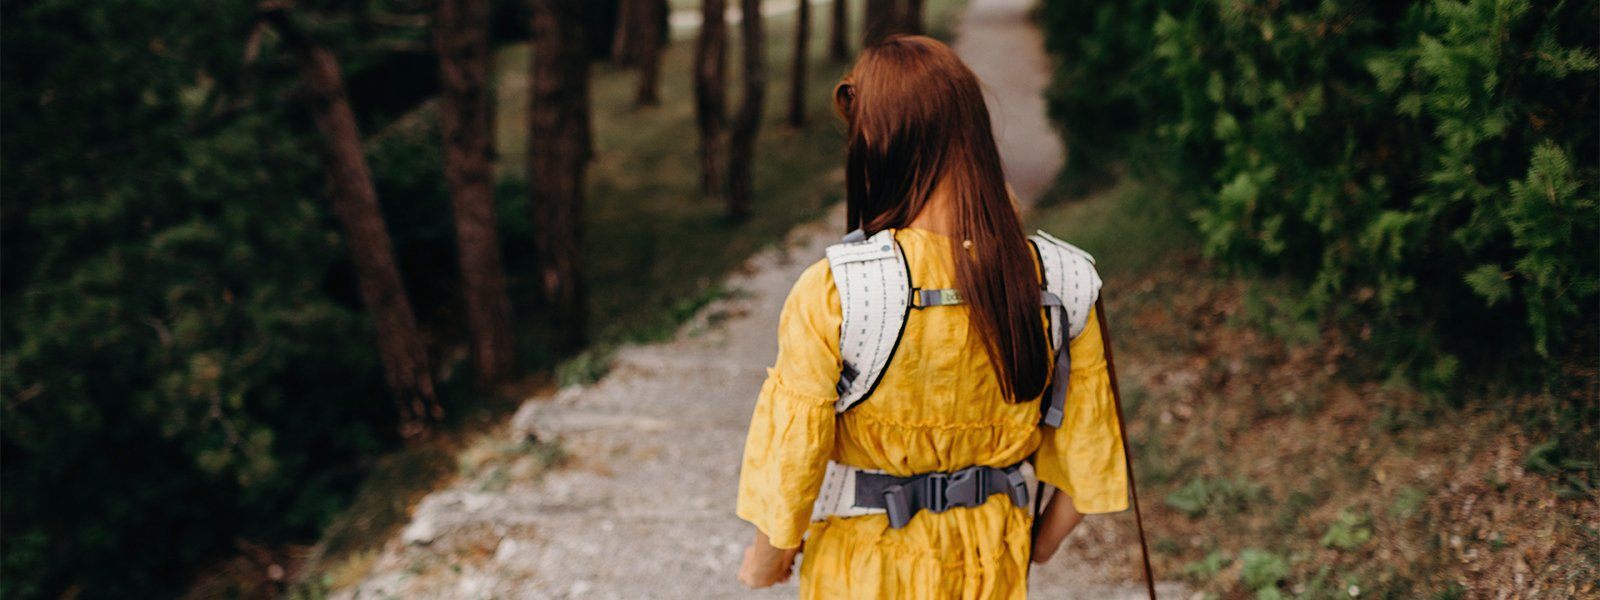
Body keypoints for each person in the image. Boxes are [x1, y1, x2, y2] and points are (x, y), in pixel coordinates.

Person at [733, 35, 1132, 599]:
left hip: (865, 571)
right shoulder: (1058, 281)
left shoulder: (837, 291)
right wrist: (1031, 546)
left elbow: (789, 473)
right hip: (992, 568)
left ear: (875, 140)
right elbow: (1089, 468)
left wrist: (763, 564)